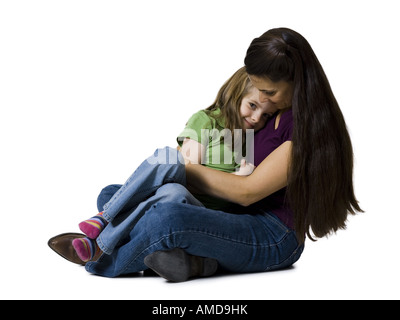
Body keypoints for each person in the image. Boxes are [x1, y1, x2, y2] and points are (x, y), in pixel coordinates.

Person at [49, 27, 362, 282]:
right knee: (116, 193)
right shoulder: (260, 111)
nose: (262, 105)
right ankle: (198, 263)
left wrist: (183, 168)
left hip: (272, 233)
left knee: (165, 215)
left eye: (270, 93)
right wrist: (177, 163)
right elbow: (218, 148)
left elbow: (247, 192)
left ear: (299, 82)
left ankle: (97, 255)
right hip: (228, 213)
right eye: (256, 91)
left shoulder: (307, 130)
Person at [50, 67, 276, 264]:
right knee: (170, 165)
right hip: (179, 195)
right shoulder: (207, 121)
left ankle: (101, 237)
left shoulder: (252, 138)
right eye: (252, 105)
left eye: (266, 115)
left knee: (162, 191)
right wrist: (236, 178)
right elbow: (190, 171)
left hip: (200, 215)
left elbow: (243, 193)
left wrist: (243, 178)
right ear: (234, 94)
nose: (257, 118)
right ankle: (105, 222)